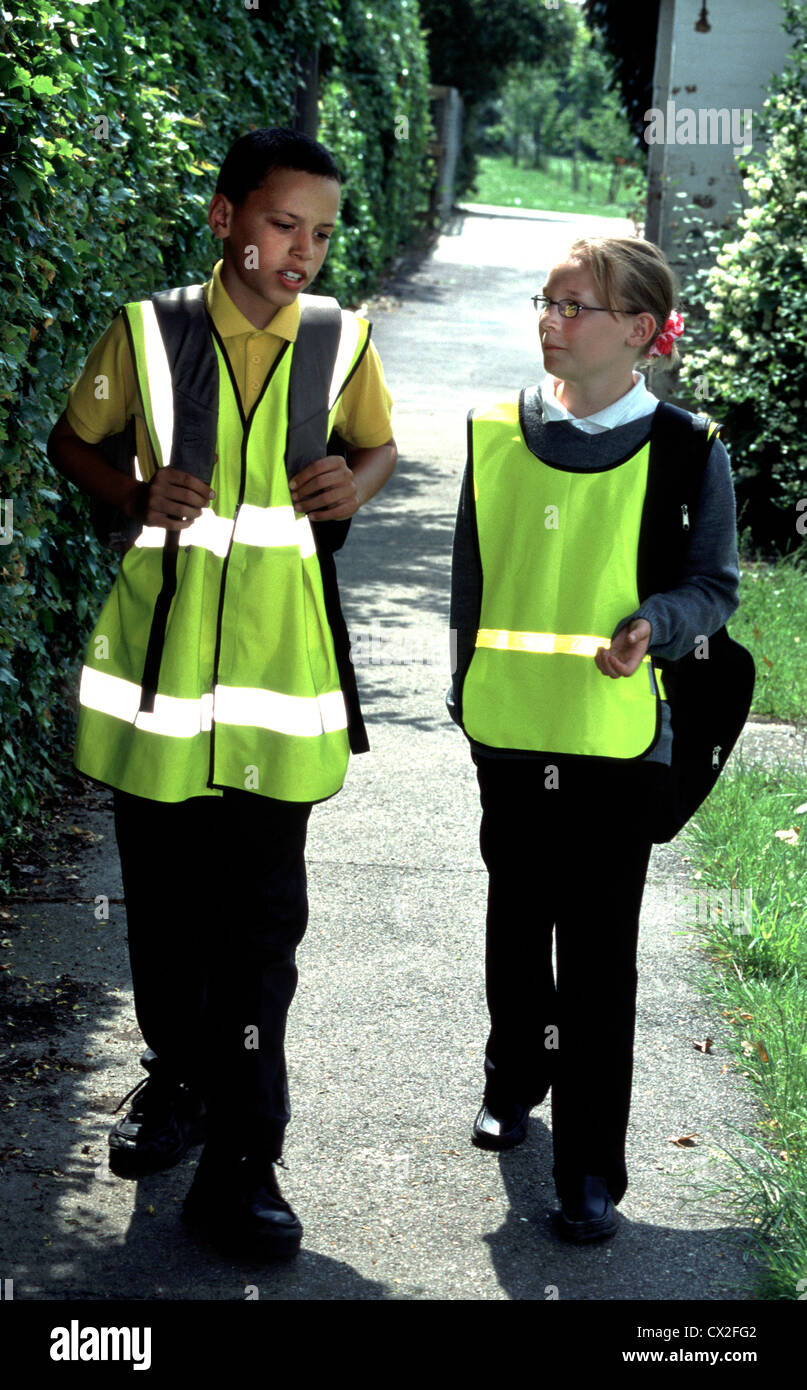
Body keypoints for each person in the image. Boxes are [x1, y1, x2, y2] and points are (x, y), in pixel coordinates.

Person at [47, 127, 397, 1258]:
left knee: (259, 930)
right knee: (162, 911)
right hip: (158, 688)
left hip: (277, 693)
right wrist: (136, 489)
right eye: (283, 225)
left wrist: (357, 480)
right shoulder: (147, 332)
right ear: (225, 219)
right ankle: (179, 1079)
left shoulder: (342, 340)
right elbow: (73, 442)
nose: (303, 251)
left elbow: (375, 451)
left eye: (322, 234)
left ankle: (248, 1163)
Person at [447, 235, 740, 1243]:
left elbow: (716, 588)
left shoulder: (691, 448)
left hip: (621, 745)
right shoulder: (493, 430)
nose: (551, 320)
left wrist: (657, 624)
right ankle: (513, 1076)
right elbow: (472, 586)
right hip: (509, 733)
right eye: (548, 301)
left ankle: (589, 1170)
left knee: (600, 957)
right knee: (517, 929)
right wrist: (464, 694)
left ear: (640, 333)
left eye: (576, 307)